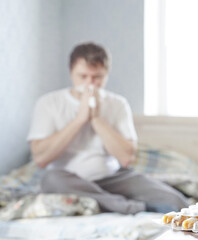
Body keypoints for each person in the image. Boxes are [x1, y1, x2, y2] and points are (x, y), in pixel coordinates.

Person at [27, 42, 188, 214]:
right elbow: (41, 158)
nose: (90, 83)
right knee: (51, 180)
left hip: (112, 178)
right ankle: (130, 207)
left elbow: (126, 158)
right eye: (83, 76)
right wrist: (80, 119)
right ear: (71, 72)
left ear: (106, 76)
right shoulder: (49, 103)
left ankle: (103, 201)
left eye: (97, 77)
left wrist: (96, 118)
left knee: (175, 200)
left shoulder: (118, 104)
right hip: (68, 180)